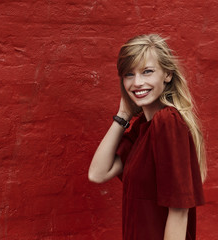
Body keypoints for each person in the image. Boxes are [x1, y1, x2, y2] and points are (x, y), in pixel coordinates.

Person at [88, 34, 207, 240]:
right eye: (129, 74)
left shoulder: (168, 122)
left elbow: (179, 210)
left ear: (167, 74)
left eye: (147, 72)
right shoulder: (143, 127)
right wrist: (123, 115)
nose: (137, 82)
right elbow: (98, 173)